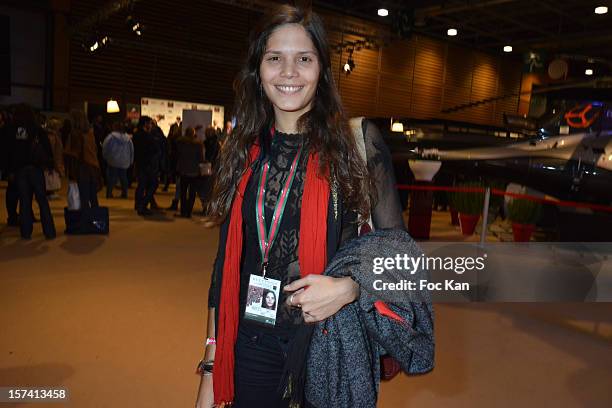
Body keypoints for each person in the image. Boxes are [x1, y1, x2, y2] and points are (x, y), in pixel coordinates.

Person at [195, 6, 430, 408]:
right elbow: (224, 269)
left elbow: (401, 259)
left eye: (303, 59)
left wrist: (350, 288)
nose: (289, 72)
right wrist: (212, 367)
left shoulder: (358, 145)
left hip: (329, 344)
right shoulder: (242, 151)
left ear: (321, 69)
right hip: (251, 342)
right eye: (275, 58)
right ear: (258, 70)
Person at [7, 104, 56, 239]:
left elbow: (15, 152)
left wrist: (11, 169)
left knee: (25, 201)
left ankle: (26, 232)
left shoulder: (17, 129)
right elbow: (47, 148)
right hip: (36, 168)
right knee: (42, 200)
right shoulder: (37, 129)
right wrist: (49, 164)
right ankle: (49, 231)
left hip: (22, 169)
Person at [65, 110, 100, 210]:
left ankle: (85, 222)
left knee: (83, 198)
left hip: (82, 167)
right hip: (93, 167)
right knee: (93, 197)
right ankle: (95, 221)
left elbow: (75, 153)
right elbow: (95, 150)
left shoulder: (75, 134)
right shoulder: (90, 133)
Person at [132, 116, 161, 216]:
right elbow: (154, 149)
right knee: (153, 184)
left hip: (139, 162)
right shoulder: (147, 136)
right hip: (148, 163)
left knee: (141, 185)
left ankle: (138, 204)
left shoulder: (136, 134)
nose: (151, 125)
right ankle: (143, 205)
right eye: (149, 123)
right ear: (145, 124)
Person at [175, 127, 204, 218]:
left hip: (184, 171)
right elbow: (201, 159)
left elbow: (177, 154)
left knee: (183, 193)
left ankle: (183, 212)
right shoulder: (198, 145)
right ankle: (189, 212)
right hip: (194, 172)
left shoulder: (181, 143)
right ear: (193, 134)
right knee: (192, 193)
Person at [102, 122, 134, 198]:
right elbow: (131, 150)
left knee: (111, 177)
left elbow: (105, 147)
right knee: (124, 178)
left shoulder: (110, 137)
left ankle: (109, 193)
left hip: (113, 160)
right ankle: (124, 193)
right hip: (124, 161)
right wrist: (131, 160)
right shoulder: (128, 138)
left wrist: (105, 157)